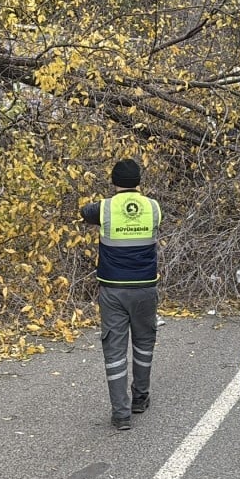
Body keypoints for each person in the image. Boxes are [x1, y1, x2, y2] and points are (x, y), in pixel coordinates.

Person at [81, 159, 164, 429]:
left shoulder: (103, 208)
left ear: (114, 181)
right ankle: (140, 397)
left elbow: (85, 212)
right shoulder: (153, 208)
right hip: (145, 288)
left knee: (114, 351)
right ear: (139, 181)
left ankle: (121, 414)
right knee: (143, 345)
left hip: (113, 290)